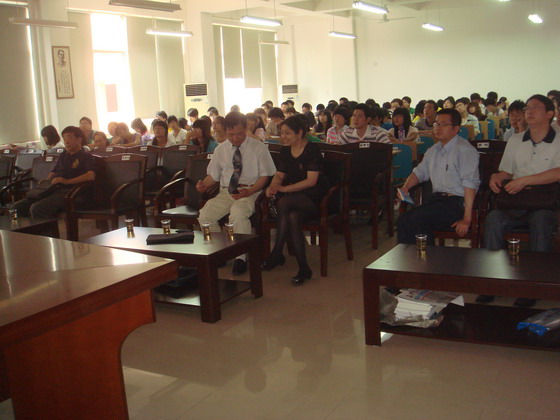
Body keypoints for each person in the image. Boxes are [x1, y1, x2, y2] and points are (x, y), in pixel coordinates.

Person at [196, 112, 276, 275]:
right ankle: (219, 252)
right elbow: (214, 176)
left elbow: (265, 177)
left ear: (246, 128)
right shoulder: (221, 149)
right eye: (230, 135)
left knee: (238, 213)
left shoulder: (258, 147)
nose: (235, 138)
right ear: (225, 131)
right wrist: (203, 185)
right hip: (227, 191)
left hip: (251, 191)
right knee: (205, 216)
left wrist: (249, 191)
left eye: (239, 134)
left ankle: (241, 257)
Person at [484, 94, 560, 254]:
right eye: (527, 108)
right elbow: (507, 172)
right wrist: (496, 177)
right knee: (494, 218)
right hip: (517, 200)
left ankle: (537, 267)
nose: (530, 111)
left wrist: (524, 181)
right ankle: (494, 266)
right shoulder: (515, 140)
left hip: (547, 201)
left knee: (540, 220)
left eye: (536, 107)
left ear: (550, 113)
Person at [262, 116, 329, 285]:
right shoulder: (285, 151)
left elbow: (311, 181)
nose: (283, 137)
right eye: (281, 133)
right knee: (293, 217)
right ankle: (304, 268)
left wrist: (283, 189)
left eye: (287, 133)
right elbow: (279, 174)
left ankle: (277, 252)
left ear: (299, 133)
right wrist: (273, 186)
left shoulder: (311, 149)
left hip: (315, 196)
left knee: (284, 203)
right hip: (294, 196)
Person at [397, 108, 480, 245]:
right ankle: (409, 257)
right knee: (403, 220)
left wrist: (467, 219)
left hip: (457, 204)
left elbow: (470, 185)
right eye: (436, 124)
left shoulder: (465, 150)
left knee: (418, 218)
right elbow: (419, 173)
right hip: (437, 202)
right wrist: (405, 188)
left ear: (456, 128)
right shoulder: (433, 150)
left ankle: (426, 256)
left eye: (444, 124)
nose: (438, 128)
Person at [12, 126, 95, 219]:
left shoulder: (86, 156)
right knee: (18, 207)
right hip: (55, 189)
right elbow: (55, 171)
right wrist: (47, 180)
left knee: (37, 208)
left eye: (69, 138)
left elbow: (90, 176)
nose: (66, 142)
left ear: (79, 140)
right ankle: (26, 228)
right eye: (64, 139)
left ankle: (47, 228)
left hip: (73, 193)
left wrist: (66, 181)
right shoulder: (63, 155)